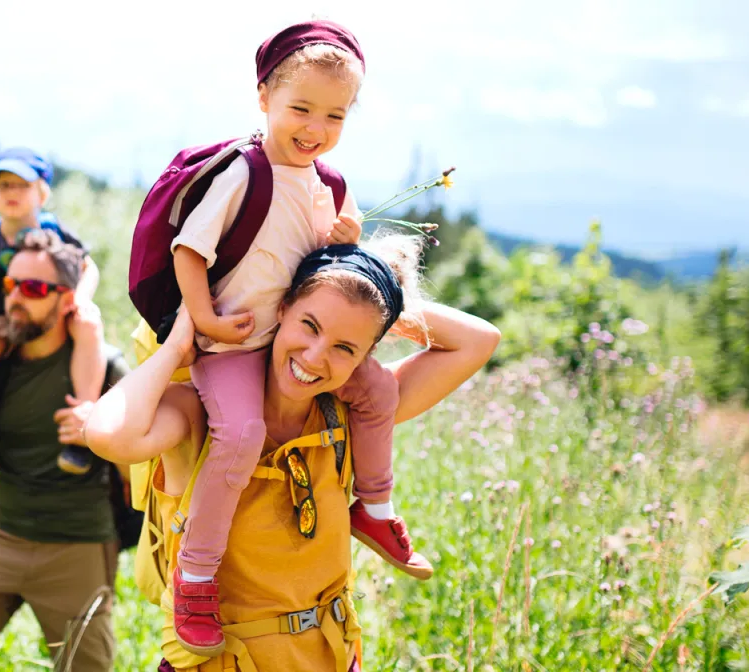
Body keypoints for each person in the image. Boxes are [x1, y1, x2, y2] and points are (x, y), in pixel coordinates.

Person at [85, 237, 501, 671]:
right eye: (310, 325)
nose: (315, 357)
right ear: (280, 309)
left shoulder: (351, 416)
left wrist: (369, 292)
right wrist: (175, 349)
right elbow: (108, 435)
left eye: (346, 347)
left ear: (365, 356)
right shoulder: (200, 414)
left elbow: (478, 340)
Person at [161, 19, 429, 656]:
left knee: (377, 392)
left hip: (292, 339)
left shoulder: (327, 183)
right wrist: (204, 321)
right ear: (264, 97)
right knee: (241, 435)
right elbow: (189, 250)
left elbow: (339, 254)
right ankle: (195, 574)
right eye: (301, 109)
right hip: (234, 344)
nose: (316, 128)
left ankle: (374, 507)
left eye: (335, 116)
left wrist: (346, 235)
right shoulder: (243, 173)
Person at [0, 230, 128, 672]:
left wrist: (100, 431)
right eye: (10, 285)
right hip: (4, 538)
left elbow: (142, 464)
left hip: (78, 546)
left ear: (67, 299)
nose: (14, 299)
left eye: (32, 288)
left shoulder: (105, 367)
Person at [0, 147, 105, 478]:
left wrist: (81, 298)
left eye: (22, 185)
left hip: (55, 308)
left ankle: (82, 420)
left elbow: (88, 268)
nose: (12, 193)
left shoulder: (56, 232)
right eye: (2, 185)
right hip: (3, 316)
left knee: (89, 324)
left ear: (42, 193)